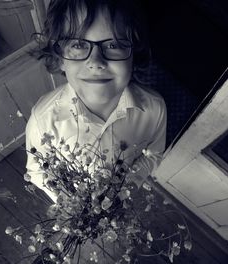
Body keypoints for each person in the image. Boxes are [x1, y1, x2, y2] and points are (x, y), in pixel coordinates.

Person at [26, 0, 167, 202]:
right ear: (60, 59)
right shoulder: (43, 120)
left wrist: (124, 187)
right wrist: (69, 203)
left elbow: (153, 154)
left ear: (134, 55)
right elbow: (36, 170)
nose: (96, 62)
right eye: (78, 44)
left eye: (113, 44)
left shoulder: (154, 109)